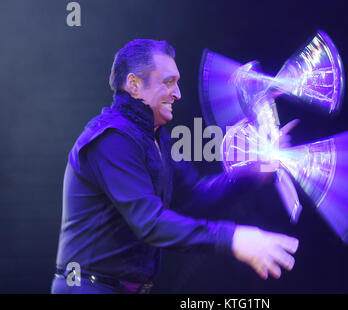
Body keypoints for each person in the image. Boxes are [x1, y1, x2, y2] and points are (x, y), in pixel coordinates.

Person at [51, 39, 299, 294]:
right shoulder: (112, 139)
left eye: (176, 82)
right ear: (134, 85)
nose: (178, 93)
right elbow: (150, 222)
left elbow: (194, 197)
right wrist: (232, 238)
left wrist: (255, 171)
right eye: (168, 82)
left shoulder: (155, 138)